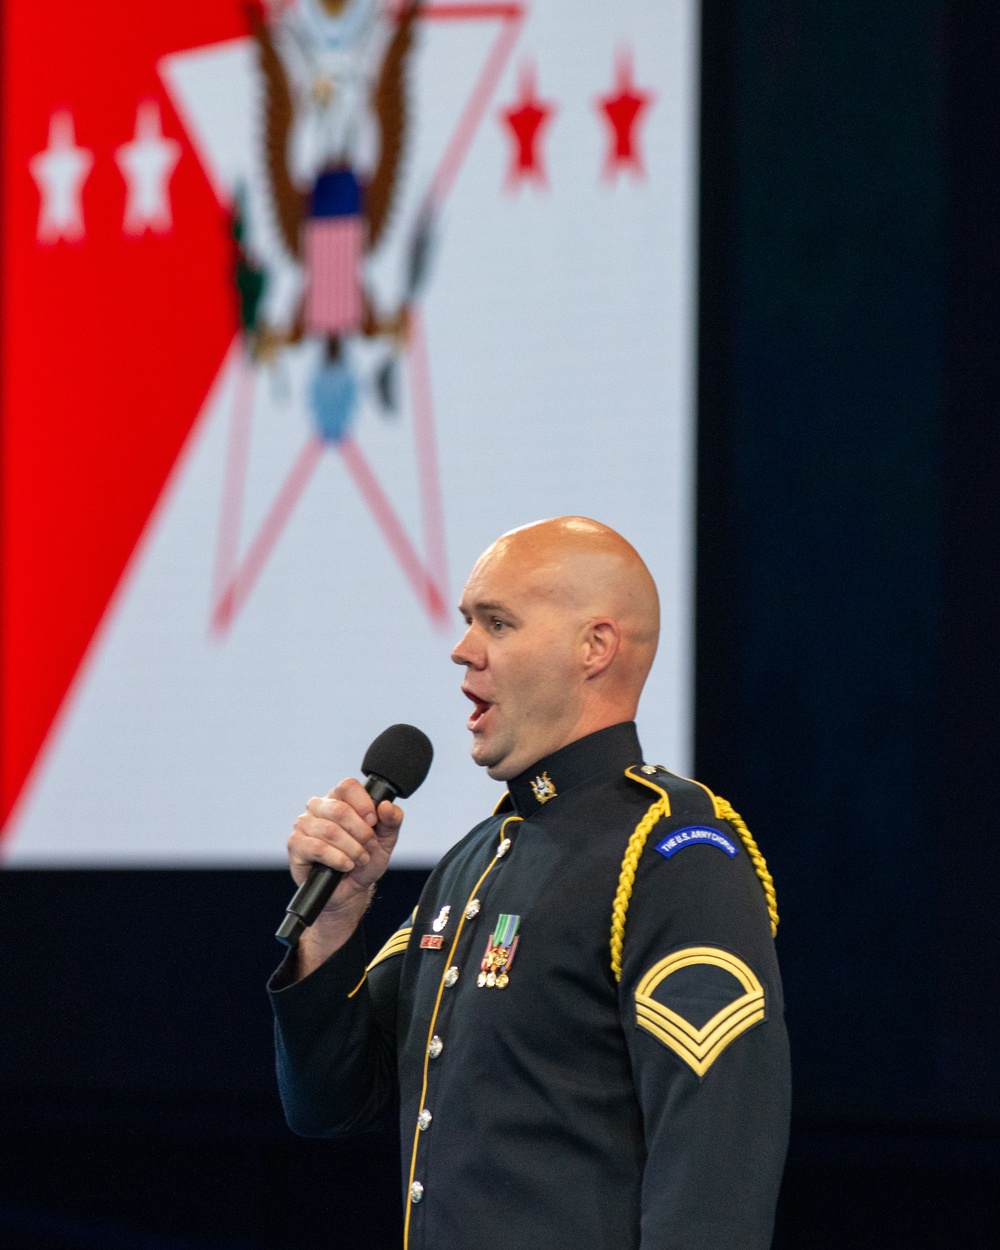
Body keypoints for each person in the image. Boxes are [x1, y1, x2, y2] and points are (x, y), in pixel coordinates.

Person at [269, 516, 790, 1250]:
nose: (462, 650)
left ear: (594, 648)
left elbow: (715, 1167)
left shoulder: (673, 849)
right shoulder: (475, 857)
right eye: (468, 622)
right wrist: (334, 921)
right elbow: (328, 1101)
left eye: (498, 623)